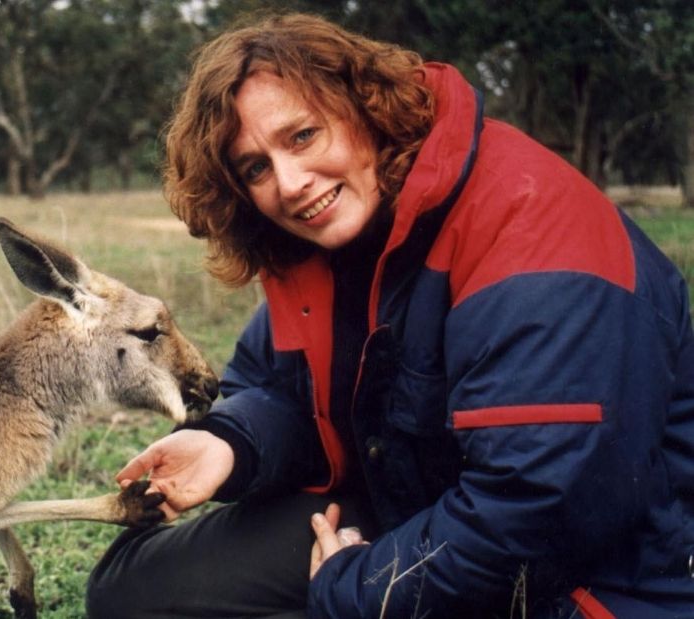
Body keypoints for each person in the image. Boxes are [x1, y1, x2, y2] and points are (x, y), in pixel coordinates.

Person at [85, 12, 694, 619]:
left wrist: (358, 588)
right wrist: (229, 444)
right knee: (130, 590)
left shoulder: (532, 235)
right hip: (414, 507)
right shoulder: (326, 243)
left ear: (366, 107)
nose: (291, 183)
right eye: (256, 168)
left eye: (302, 136)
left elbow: (538, 510)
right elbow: (280, 388)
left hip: (593, 582)